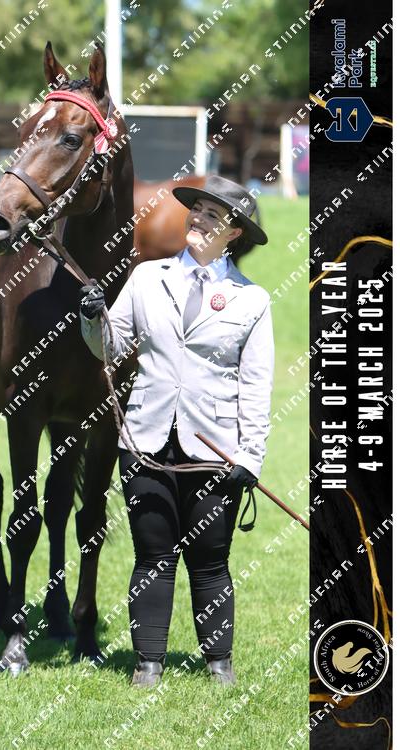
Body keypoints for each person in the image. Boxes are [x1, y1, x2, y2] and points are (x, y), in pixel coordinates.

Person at [78, 175, 274, 688]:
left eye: (214, 216)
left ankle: (219, 665)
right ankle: (148, 665)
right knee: (152, 555)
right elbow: (111, 348)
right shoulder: (146, 277)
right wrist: (92, 319)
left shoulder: (252, 300)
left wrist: (250, 456)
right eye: (197, 210)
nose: (199, 219)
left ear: (234, 233)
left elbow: (256, 384)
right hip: (145, 440)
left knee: (210, 561)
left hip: (215, 450)